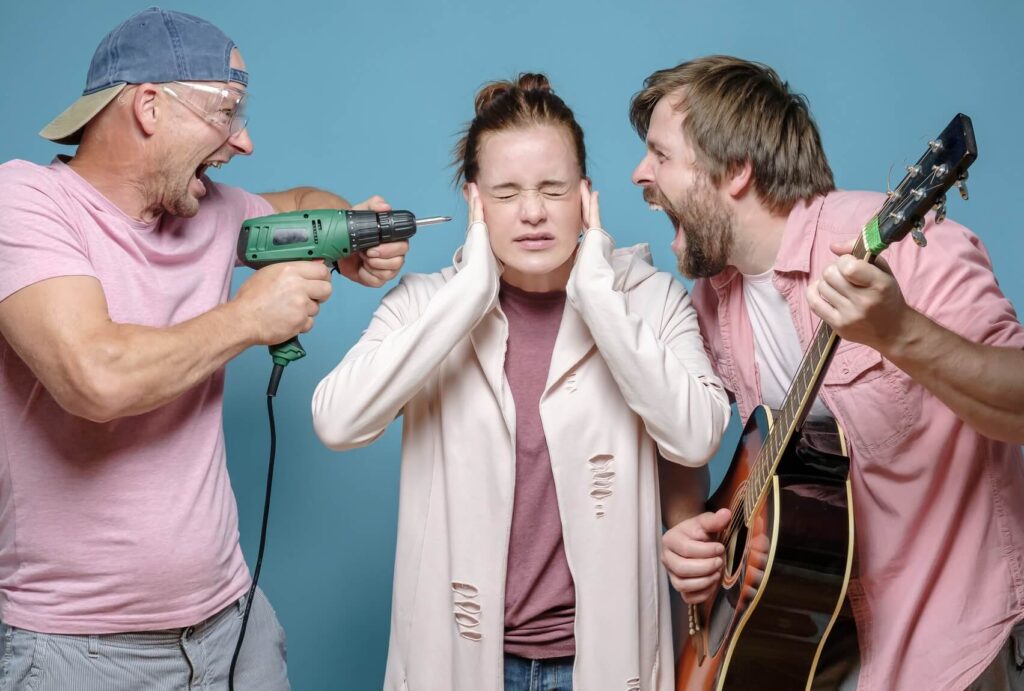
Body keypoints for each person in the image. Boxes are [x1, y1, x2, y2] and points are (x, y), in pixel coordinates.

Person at [0, 8, 407, 690]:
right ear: (150, 106)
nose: (243, 142)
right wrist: (249, 317)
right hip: (80, 652)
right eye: (226, 112)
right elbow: (95, 376)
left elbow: (302, 200)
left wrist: (349, 235)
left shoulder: (209, 208)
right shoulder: (26, 203)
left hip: (233, 628)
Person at [311, 73, 730, 690]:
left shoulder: (650, 301)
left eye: (552, 189)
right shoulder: (426, 306)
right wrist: (469, 295)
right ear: (473, 200)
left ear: (586, 196)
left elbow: (695, 438)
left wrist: (598, 298)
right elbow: (338, 421)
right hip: (464, 662)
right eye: (506, 193)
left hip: (602, 660)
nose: (533, 213)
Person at [630, 55, 1024, 690]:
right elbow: (756, 468)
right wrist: (694, 537)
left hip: (957, 652)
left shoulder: (904, 244)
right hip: (817, 656)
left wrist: (902, 334)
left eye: (660, 155)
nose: (639, 174)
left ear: (735, 171)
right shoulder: (711, 301)